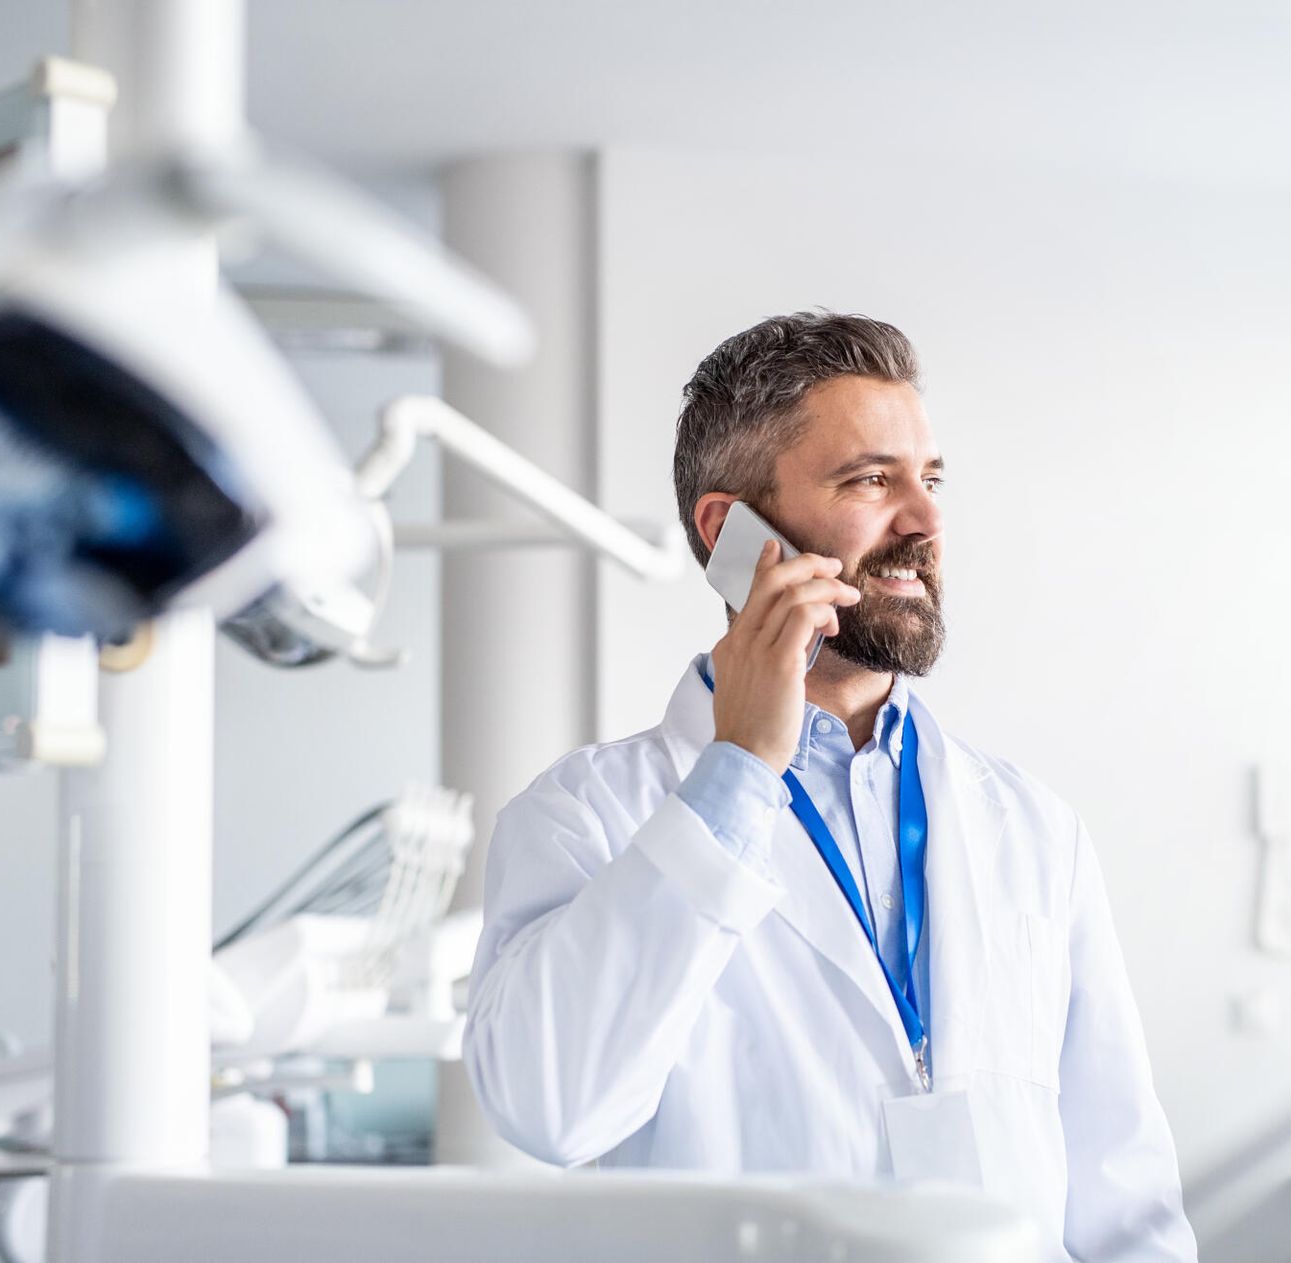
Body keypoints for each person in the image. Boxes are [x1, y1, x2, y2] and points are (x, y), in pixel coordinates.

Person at [463, 311, 1197, 1262]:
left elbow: (1123, 1183)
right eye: (871, 480)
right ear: (737, 536)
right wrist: (733, 777)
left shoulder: (1029, 825)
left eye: (929, 480)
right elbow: (550, 1106)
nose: (926, 520)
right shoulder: (587, 815)